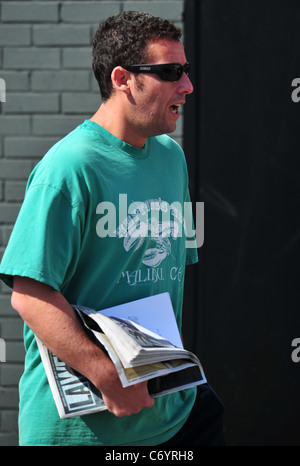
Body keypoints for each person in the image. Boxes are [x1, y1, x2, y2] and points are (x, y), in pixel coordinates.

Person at [0, 10, 224, 446]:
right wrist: (107, 374)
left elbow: (164, 276)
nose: (187, 86)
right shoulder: (68, 168)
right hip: (83, 431)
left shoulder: (170, 158)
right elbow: (29, 295)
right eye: (170, 72)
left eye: (186, 71)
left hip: (173, 415)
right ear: (123, 79)